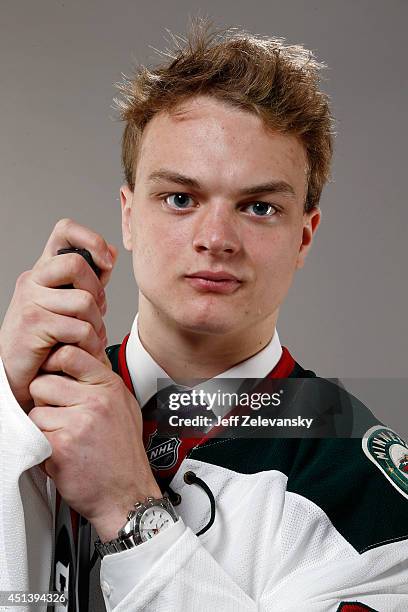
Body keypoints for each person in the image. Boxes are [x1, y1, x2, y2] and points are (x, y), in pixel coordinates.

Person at [0, 20, 407, 612]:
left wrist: (132, 515)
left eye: (259, 206)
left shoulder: (363, 490)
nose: (216, 238)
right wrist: (4, 407)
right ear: (129, 215)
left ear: (304, 235)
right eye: (181, 199)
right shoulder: (26, 397)